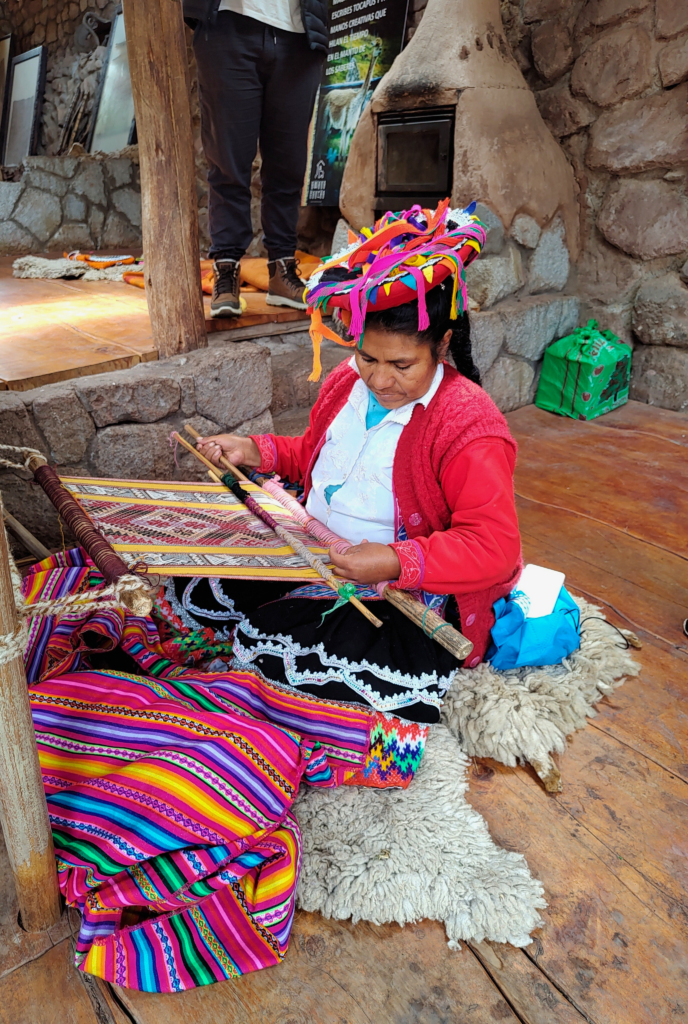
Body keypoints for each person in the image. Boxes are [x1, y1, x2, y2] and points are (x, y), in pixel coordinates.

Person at [185, 203, 523, 723]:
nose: (380, 380)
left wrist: (393, 560)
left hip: (402, 591)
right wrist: (257, 450)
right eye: (368, 357)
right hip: (313, 546)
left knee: (278, 653)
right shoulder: (347, 381)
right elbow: (319, 459)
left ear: (443, 344)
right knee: (195, 589)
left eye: (401, 364)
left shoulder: (467, 424)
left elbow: (495, 548)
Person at [182, 0, 327, 317]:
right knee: (228, 161)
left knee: (288, 164)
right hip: (229, 24)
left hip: (299, 35)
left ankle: (282, 270)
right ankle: (226, 267)